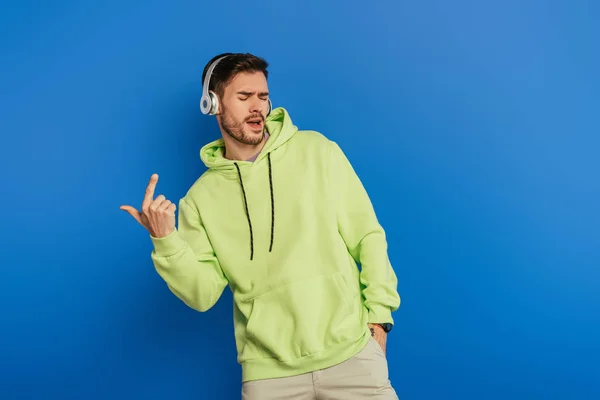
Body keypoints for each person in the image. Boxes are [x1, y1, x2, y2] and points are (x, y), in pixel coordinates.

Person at [121, 52, 401, 399]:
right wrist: (165, 239)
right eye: (244, 97)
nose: (258, 107)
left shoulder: (317, 151)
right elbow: (202, 293)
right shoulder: (200, 199)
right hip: (269, 377)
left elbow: (368, 236)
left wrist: (379, 319)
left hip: (351, 356)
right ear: (213, 105)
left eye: (263, 96)